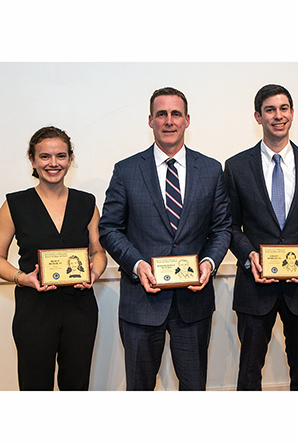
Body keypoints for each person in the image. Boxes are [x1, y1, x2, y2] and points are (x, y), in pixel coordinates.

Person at [99, 87, 231, 391]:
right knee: (140, 387)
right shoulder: (126, 170)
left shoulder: (211, 170)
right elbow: (109, 228)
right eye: (161, 114)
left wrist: (209, 263)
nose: (168, 121)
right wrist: (136, 264)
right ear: (150, 121)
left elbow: (222, 227)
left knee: (194, 386)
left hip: (193, 303)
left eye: (175, 114)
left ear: (187, 120)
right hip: (140, 302)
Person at [224, 84, 298, 390]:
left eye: (284, 108)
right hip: (255, 288)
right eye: (270, 110)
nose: (278, 115)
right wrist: (249, 257)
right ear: (258, 116)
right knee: (248, 376)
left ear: (293, 113)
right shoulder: (235, 167)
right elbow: (230, 226)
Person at [0, 126, 107, 390]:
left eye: (60, 156)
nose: (53, 163)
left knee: (76, 386)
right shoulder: (14, 205)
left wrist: (94, 273)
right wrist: (22, 278)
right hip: (34, 310)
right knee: (35, 388)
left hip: (80, 310)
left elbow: (98, 251)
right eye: (45, 156)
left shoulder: (86, 203)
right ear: (33, 160)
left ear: (70, 159)